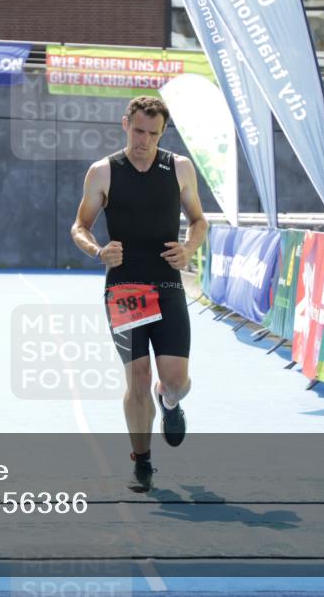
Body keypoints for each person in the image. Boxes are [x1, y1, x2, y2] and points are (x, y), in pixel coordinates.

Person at [70, 95, 207, 493]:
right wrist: (98, 251)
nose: (144, 140)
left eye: (153, 134)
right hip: (125, 287)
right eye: (139, 131)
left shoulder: (179, 167)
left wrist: (188, 249)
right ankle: (142, 461)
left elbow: (199, 221)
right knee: (138, 377)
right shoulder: (103, 172)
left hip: (167, 284)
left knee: (175, 380)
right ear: (125, 124)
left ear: (162, 133)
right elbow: (79, 226)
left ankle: (171, 401)